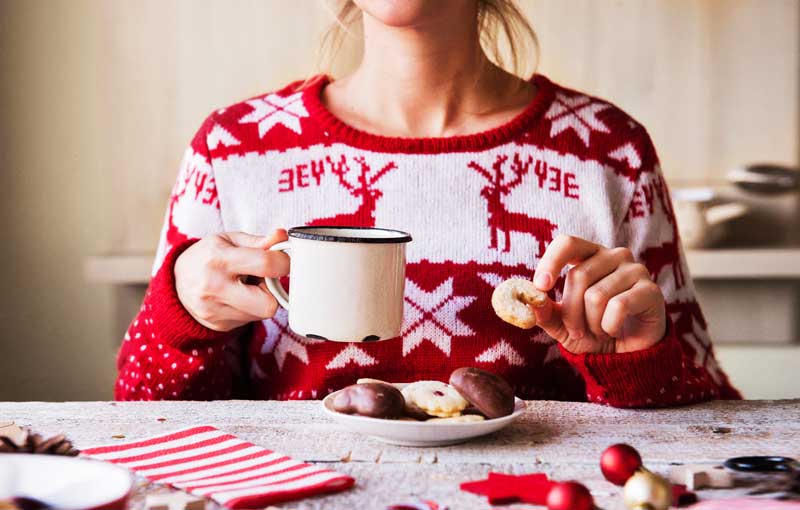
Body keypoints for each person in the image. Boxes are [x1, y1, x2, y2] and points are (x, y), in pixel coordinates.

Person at [115, 0, 740, 406]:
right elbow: (142, 419)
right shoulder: (233, 150)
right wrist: (181, 318)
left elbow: (708, 425)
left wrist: (638, 364)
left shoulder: (610, 149)